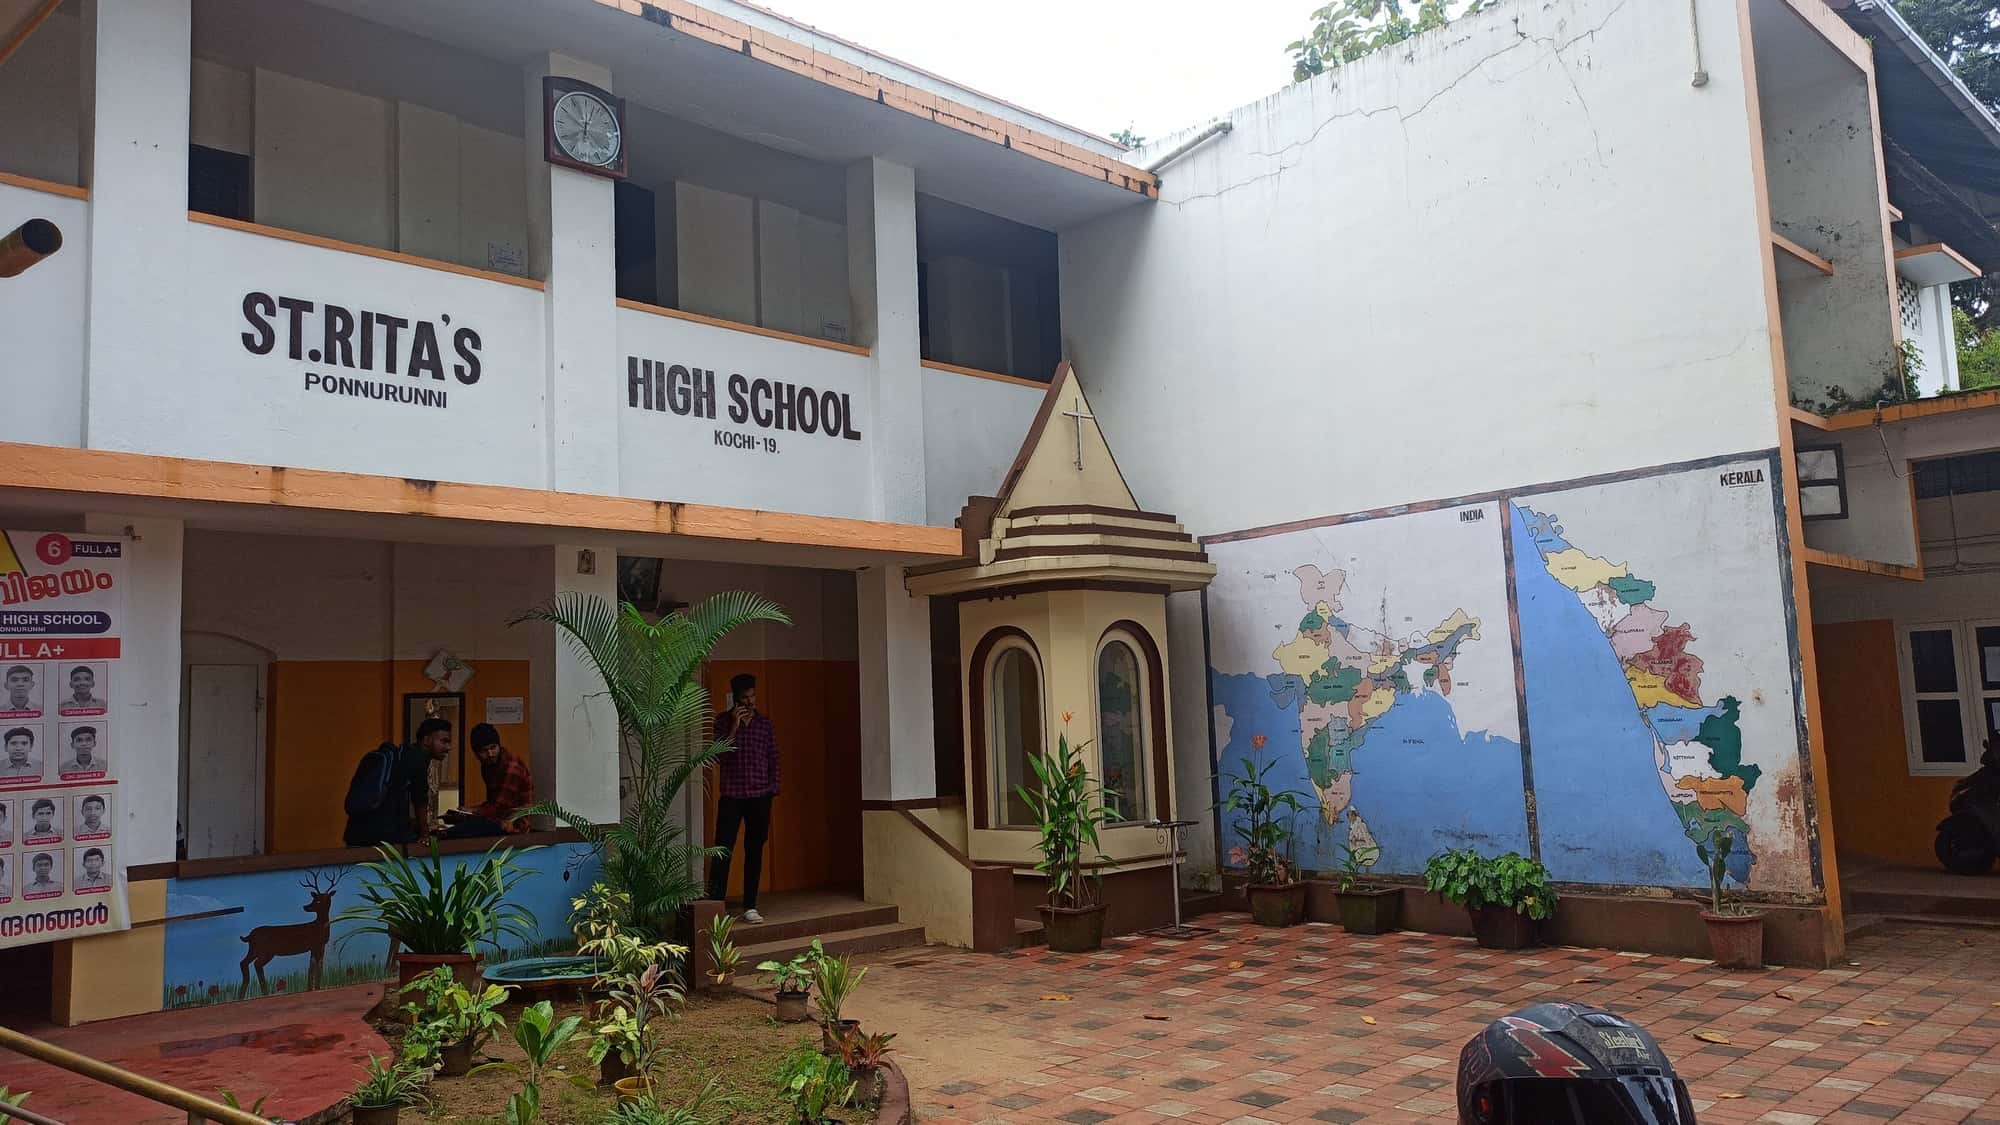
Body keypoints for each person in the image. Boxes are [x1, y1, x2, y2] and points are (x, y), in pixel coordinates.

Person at [707, 673, 780, 924]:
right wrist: (734, 727)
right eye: (745, 698)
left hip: (760, 796)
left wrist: (772, 789)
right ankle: (716, 905)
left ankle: (750, 905)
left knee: (754, 850)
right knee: (723, 849)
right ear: (735, 699)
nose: (750, 702)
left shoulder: (764, 724)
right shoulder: (722, 722)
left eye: (753, 696)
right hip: (732, 795)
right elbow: (718, 756)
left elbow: (774, 758)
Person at [342, 717, 451, 847]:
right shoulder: (417, 759)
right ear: (427, 740)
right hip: (383, 836)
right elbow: (420, 801)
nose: (448, 747)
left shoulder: (402, 755)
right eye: (444, 741)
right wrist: (425, 834)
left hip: (357, 833)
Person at [442, 723, 533, 838]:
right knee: (456, 825)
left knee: (456, 832)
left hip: (514, 825)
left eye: (493, 748)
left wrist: (474, 812)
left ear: (499, 746)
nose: (490, 754)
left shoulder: (511, 767)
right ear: (476, 754)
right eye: (484, 751)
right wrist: (470, 810)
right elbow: (493, 803)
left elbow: (500, 807)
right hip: (497, 819)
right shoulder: (488, 765)